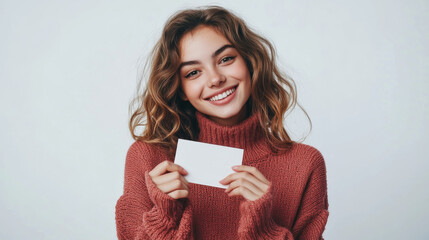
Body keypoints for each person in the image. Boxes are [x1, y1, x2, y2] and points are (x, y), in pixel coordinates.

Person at [115, 6, 329, 240]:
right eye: (193, 73)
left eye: (226, 59)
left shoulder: (305, 164)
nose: (215, 79)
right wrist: (165, 218)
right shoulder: (149, 159)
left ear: (250, 62)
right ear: (181, 89)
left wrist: (262, 228)